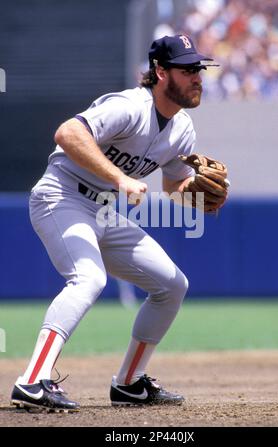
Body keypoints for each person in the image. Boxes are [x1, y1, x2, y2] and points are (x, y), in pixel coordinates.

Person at [11, 34, 223, 412]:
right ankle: (32, 380)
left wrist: (197, 194)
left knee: (172, 285)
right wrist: (120, 178)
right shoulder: (129, 106)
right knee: (88, 278)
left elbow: (174, 185)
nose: (198, 77)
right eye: (188, 69)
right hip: (60, 197)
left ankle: (128, 383)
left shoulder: (182, 128)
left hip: (103, 213)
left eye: (200, 69)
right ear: (160, 71)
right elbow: (68, 132)